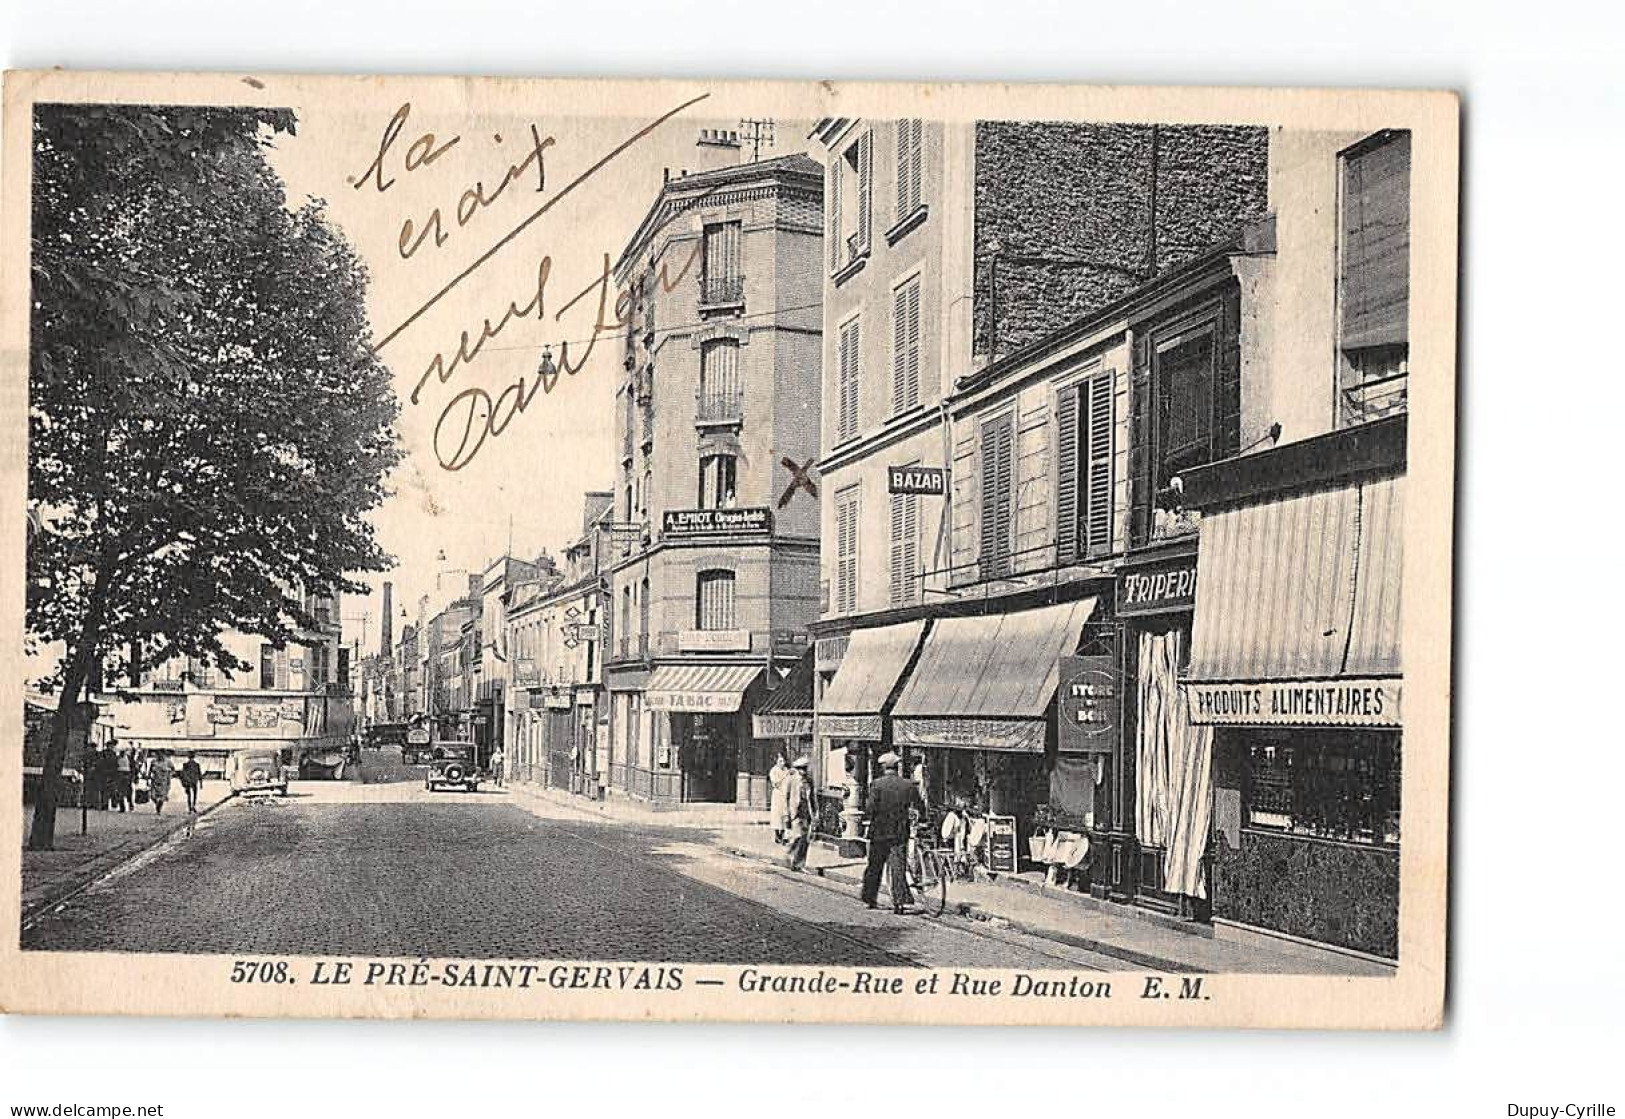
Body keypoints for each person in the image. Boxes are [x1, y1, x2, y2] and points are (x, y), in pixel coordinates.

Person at [862, 752, 925, 913]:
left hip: (879, 832)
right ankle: (899, 902)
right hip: (899, 832)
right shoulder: (907, 785)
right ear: (897, 767)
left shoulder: (877, 784)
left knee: (875, 866)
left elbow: (870, 808)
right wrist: (922, 820)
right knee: (898, 867)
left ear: (883, 767)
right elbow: (919, 805)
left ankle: (870, 898)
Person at [783, 757, 815, 871]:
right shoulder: (791, 780)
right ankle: (790, 856)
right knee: (797, 836)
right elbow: (786, 798)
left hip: (806, 812)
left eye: (805, 768)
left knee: (805, 839)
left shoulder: (808, 781)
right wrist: (786, 814)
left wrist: (815, 813)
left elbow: (812, 798)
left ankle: (799, 863)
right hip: (795, 812)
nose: (803, 771)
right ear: (796, 769)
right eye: (801, 769)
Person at [768, 754, 791, 844]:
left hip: (785, 794)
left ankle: (784, 834)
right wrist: (784, 776)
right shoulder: (774, 771)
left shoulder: (786, 770)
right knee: (777, 815)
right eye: (780, 761)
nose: (782, 763)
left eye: (783, 761)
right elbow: (776, 783)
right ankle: (777, 835)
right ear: (776, 762)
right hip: (777, 794)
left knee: (785, 814)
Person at [112, 739, 134, 812]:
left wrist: (133, 776)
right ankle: (122, 807)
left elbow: (133, 767)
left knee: (128, 791)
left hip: (127, 774)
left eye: (123, 752)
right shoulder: (117, 758)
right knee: (119, 791)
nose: (122, 753)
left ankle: (130, 803)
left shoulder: (129, 758)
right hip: (119, 774)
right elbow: (115, 766)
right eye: (121, 752)